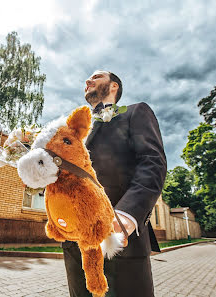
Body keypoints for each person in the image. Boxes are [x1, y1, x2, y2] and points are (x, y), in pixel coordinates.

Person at [62, 70, 167, 297]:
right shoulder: (73, 133)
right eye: (87, 79)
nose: (87, 80)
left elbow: (152, 163)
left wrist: (127, 216)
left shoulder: (135, 112)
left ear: (113, 86)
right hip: (75, 243)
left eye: (96, 76)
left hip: (120, 239)